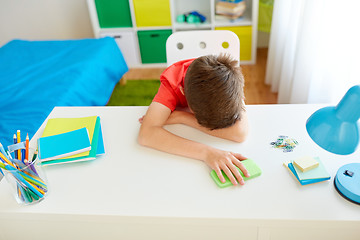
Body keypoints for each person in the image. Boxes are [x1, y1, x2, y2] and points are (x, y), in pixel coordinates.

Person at [138, 54, 250, 186]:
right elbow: (146, 135)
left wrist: (181, 117)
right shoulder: (173, 82)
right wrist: (207, 153)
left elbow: (240, 133)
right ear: (182, 91)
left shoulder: (229, 82)